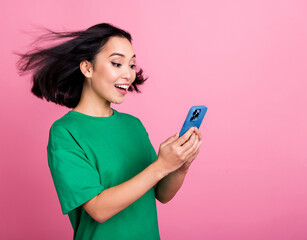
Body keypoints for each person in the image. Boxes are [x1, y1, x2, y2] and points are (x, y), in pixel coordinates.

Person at [16, 22, 203, 240]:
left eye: (131, 65)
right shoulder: (65, 132)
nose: (128, 74)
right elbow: (99, 209)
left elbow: (161, 194)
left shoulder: (134, 125)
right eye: (117, 63)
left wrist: (180, 165)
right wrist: (162, 165)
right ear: (87, 68)